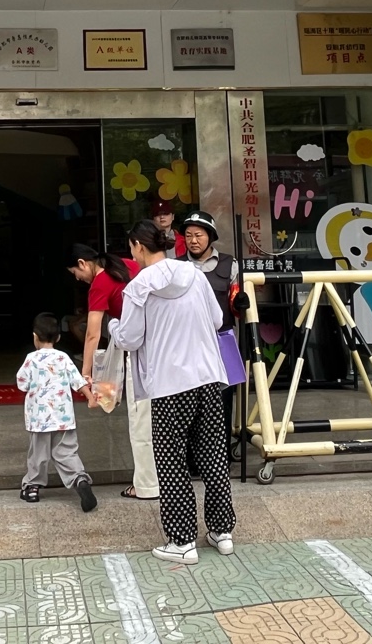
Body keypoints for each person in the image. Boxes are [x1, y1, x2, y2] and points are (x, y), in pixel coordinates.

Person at [112, 220, 235, 564]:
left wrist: (113, 327)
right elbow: (217, 319)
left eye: (131, 247)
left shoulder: (138, 287)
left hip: (169, 384)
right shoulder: (194, 274)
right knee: (213, 456)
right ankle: (222, 531)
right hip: (208, 376)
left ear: (138, 246)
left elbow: (130, 339)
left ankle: (182, 541)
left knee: (171, 461)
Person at [67, 244, 157, 502]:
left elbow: (92, 333)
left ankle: (147, 485)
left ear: (83, 263)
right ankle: (164, 478)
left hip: (139, 351)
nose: (77, 278)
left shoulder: (100, 283)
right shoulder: (126, 264)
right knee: (157, 418)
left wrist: (85, 372)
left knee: (140, 421)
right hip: (160, 345)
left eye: (75, 272)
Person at [17, 313, 97, 510]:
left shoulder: (31, 359)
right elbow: (78, 382)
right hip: (63, 419)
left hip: (39, 420)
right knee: (67, 453)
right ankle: (80, 479)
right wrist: (91, 398)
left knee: (38, 455)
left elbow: (22, 383)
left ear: (35, 336)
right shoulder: (64, 357)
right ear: (59, 338)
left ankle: (32, 487)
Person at [180, 210, 241, 450]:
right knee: (188, 400)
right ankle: (192, 456)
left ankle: (220, 454)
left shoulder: (230, 264)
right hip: (186, 343)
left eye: (199, 235)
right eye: (188, 235)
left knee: (222, 399)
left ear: (210, 236)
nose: (193, 240)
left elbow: (236, 305)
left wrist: (240, 303)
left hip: (222, 341)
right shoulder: (176, 266)